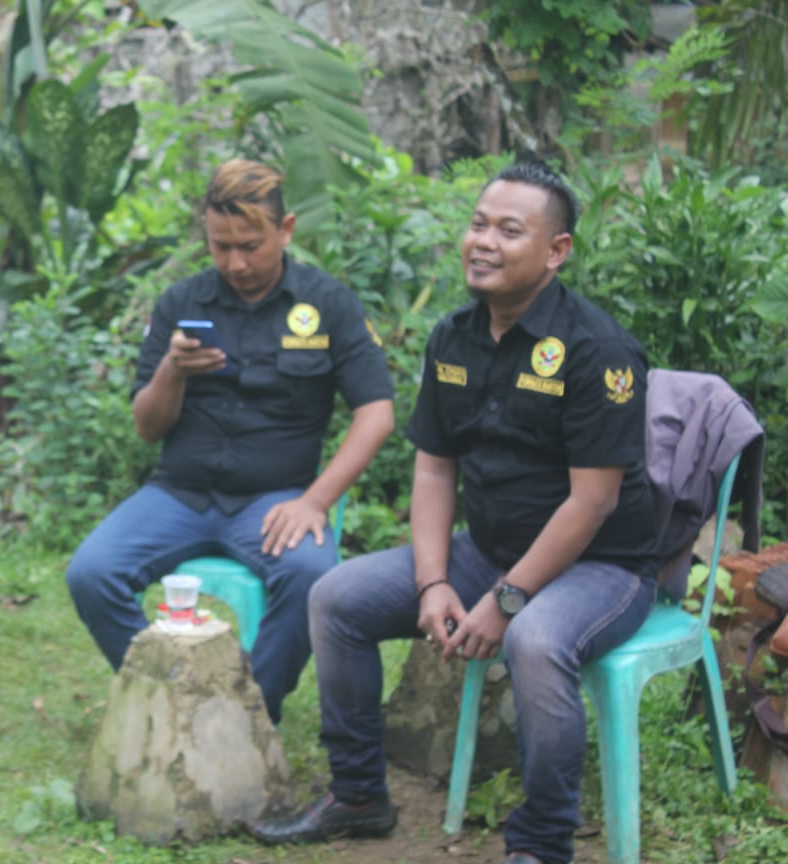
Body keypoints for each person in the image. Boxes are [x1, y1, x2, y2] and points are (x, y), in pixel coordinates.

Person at [251, 162, 657, 864]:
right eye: (477, 224)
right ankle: (357, 795)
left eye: (509, 230)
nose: (484, 242)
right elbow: (435, 467)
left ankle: (540, 844)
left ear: (556, 252)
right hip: (489, 549)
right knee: (336, 597)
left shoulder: (598, 349)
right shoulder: (454, 338)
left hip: (601, 566)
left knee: (534, 641)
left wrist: (506, 600)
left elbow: (594, 502)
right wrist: (434, 581)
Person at [65, 159, 396, 724]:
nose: (236, 263)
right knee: (91, 573)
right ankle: (171, 700)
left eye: (250, 245)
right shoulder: (181, 303)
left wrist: (315, 501)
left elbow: (377, 413)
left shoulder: (327, 304)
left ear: (286, 229)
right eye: (221, 247)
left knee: (310, 576)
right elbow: (147, 426)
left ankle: (248, 717)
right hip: (180, 495)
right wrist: (172, 369)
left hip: (274, 500)